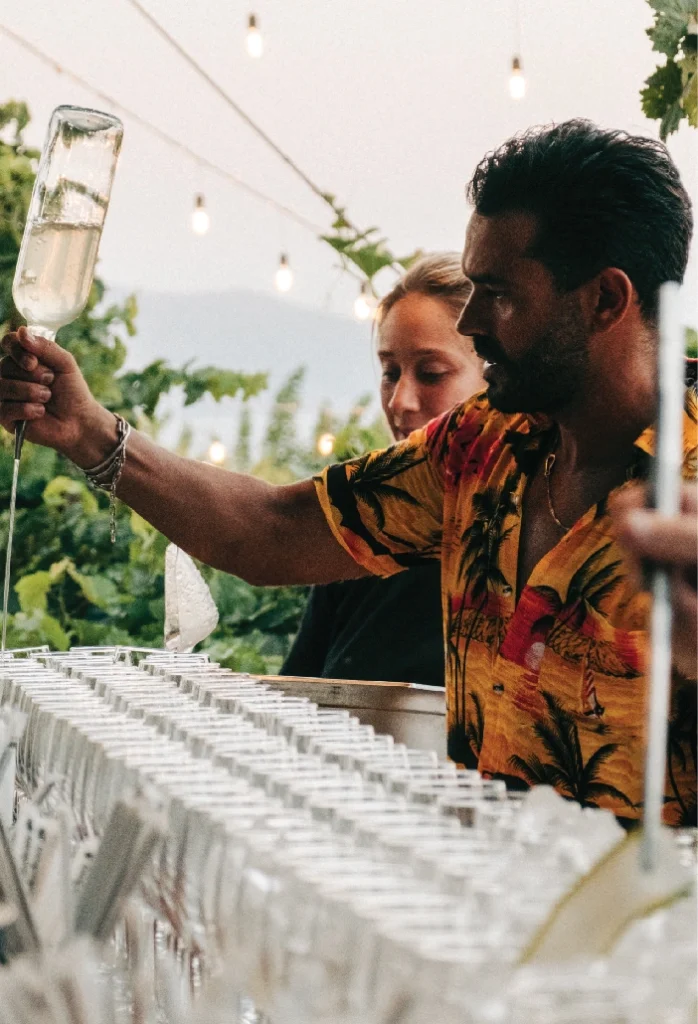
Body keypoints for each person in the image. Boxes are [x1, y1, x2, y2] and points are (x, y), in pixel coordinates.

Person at [2, 119, 696, 825]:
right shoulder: (478, 444)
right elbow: (271, 530)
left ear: (605, 300)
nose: (471, 322)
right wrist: (88, 432)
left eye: (499, 293)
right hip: (473, 889)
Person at [281, 254, 484, 686]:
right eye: (390, 372)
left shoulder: (523, 540)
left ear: (496, 379)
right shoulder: (364, 527)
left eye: (431, 373)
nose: (399, 401)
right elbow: (295, 694)